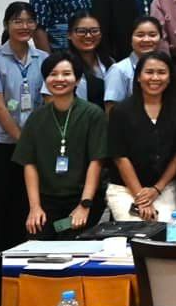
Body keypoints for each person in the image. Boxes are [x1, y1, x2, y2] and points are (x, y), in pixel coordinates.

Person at [0, 2, 44, 255]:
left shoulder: (42, 60)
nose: (24, 26)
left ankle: (17, 258)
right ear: (6, 25)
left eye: (29, 21)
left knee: (22, 204)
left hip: (31, 143)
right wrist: (22, 141)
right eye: (17, 21)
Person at [13, 52, 107, 237]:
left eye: (66, 74)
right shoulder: (37, 117)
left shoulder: (93, 114)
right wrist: (35, 208)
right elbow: (29, 163)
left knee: (69, 234)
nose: (59, 79)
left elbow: (97, 162)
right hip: (47, 201)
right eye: (53, 74)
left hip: (82, 199)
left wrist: (84, 205)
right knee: (38, 236)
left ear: (77, 80)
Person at [105, 52, 176, 223]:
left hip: (163, 187)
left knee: (167, 231)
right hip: (125, 188)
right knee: (137, 234)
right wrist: (141, 197)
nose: (155, 77)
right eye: (149, 72)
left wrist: (157, 189)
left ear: (170, 77)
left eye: (161, 72)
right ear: (139, 77)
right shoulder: (121, 111)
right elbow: (119, 157)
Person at [61, 12, 111, 107]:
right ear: (69, 35)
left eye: (94, 31)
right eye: (81, 31)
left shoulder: (110, 62)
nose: (88, 36)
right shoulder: (60, 63)